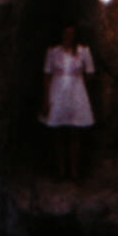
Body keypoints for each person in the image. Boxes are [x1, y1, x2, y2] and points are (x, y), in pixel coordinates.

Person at [42, 25, 96, 179]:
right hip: (57, 91)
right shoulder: (53, 52)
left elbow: (90, 73)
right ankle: (61, 170)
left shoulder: (83, 51)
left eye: (72, 33)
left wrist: (79, 82)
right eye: (66, 33)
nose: (69, 36)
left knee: (75, 133)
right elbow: (46, 75)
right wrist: (46, 99)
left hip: (76, 91)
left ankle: (75, 172)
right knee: (58, 133)